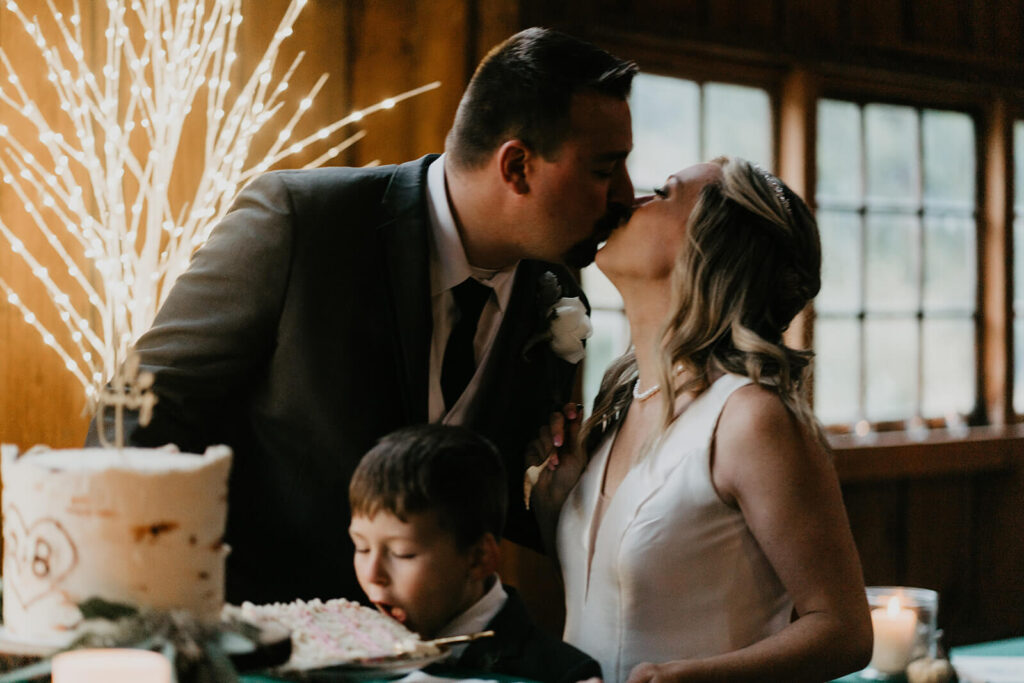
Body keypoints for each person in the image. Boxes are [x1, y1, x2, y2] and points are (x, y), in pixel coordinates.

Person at [86, 28, 637, 605]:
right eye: (605, 170)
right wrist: (146, 602)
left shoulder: (552, 294)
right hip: (251, 633)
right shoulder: (302, 222)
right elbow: (138, 407)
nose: (624, 193)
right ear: (518, 166)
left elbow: (493, 490)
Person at [529, 158, 873, 682]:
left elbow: (844, 632)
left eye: (662, 193)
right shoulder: (618, 405)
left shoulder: (750, 419)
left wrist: (697, 678)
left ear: (708, 246)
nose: (630, 201)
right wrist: (557, 506)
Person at [349, 424, 602, 683]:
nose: (372, 574)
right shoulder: (345, 658)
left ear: (478, 558)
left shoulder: (565, 675)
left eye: (402, 554)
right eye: (362, 547)